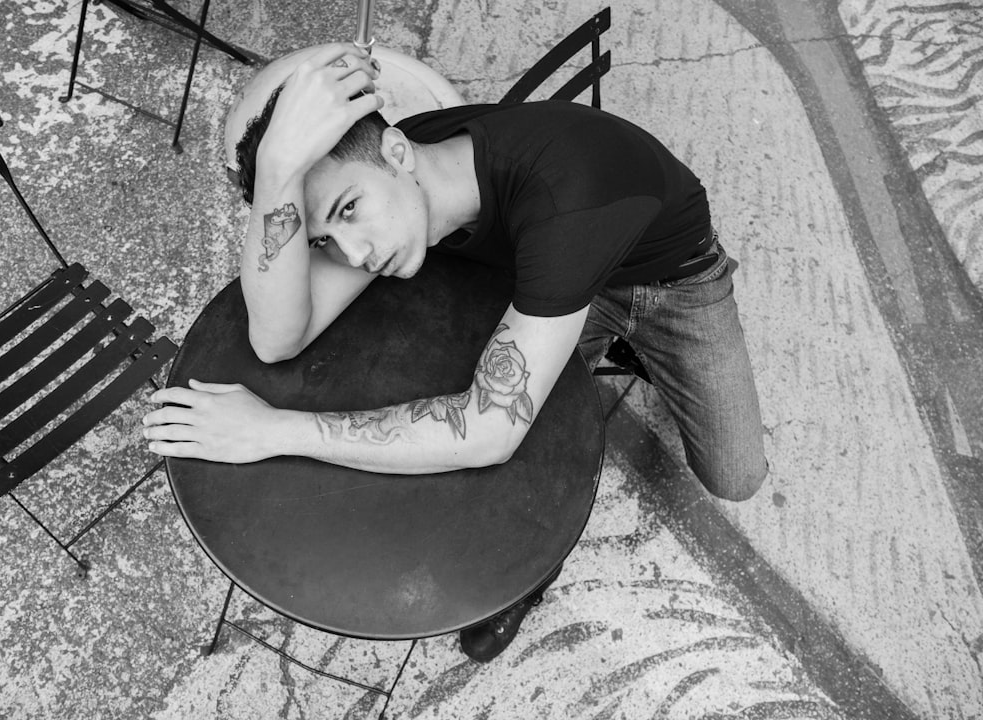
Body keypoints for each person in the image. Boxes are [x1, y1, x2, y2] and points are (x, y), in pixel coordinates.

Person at [142, 43, 767, 662]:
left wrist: (273, 430)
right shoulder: (404, 177)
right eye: (325, 238)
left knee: (733, 477)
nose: (355, 254)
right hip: (541, 279)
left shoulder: (564, 196)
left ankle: (642, 351)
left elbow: (484, 431)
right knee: (531, 466)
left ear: (396, 152)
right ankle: (528, 576)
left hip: (668, 283)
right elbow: (276, 338)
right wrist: (276, 169)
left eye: (349, 210)